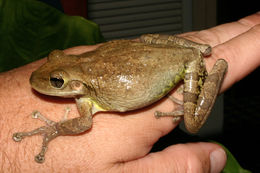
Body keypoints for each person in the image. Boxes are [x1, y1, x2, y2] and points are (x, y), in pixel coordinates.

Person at [1, 12, 260, 173]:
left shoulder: (84, 101)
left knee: (191, 124)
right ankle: (199, 52)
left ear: (77, 86)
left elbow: (83, 122)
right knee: (147, 37)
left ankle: (217, 67)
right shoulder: (85, 90)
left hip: (186, 64)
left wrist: (54, 128)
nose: (51, 76)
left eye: (57, 80)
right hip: (152, 49)